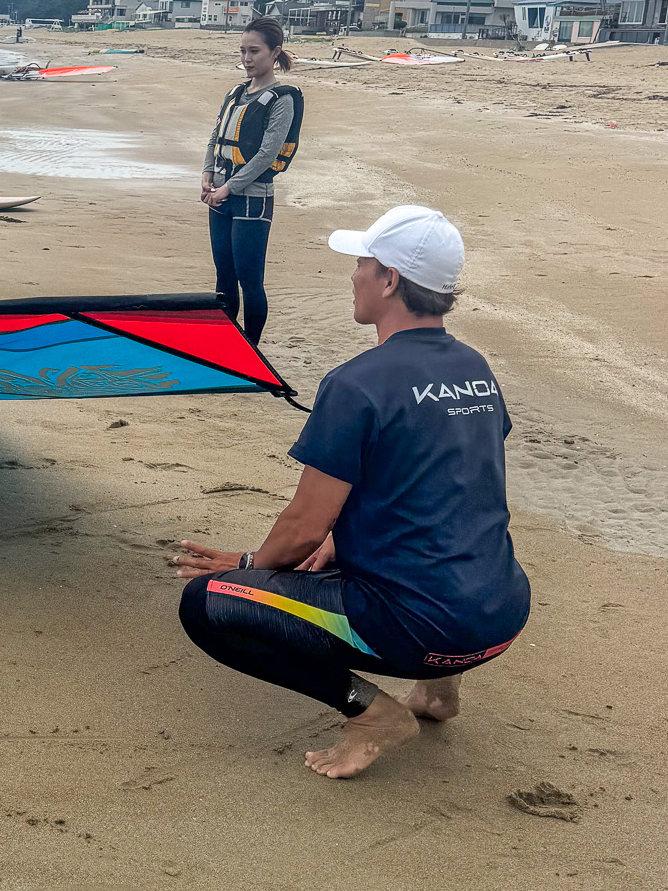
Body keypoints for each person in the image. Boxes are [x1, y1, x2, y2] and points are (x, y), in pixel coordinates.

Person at [170, 206, 530, 779]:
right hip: (499, 616)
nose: (354, 274)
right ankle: (438, 692)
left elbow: (302, 528)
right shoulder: (474, 367)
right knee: (398, 556)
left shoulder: (357, 382)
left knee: (206, 604)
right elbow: (453, 486)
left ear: (389, 280)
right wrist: (342, 540)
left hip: (420, 629)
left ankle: (371, 713)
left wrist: (250, 568)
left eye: (363, 263)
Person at [202, 16, 303, 346]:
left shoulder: (283, 99)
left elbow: (265, 155)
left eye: (254, 51)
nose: (247, 59)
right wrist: (207, 173)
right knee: (224, 276)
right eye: (243, 51)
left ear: (275, 52)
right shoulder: (236, 93)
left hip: (252, 199)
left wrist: (228, 188)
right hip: (219, 194)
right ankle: (228, 345)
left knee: (250, 280)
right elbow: (216, 136)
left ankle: (252, 348)